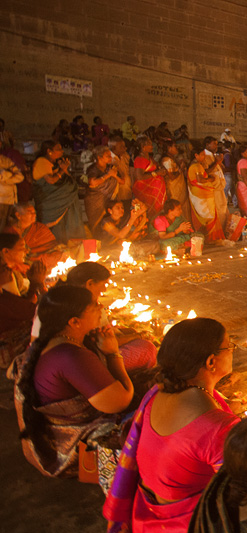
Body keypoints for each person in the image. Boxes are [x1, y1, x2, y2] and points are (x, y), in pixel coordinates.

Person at [103, 318, 240, 533]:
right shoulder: (216, 426)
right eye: (230, 347)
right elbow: (245, 495)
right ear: (211, 361)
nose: (233, 351)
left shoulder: (157, 393)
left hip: (148, 523)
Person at [12, 285, 133, 477]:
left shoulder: (50, 341)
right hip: (75, 447)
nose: (101, 307)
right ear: (75, 321)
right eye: (94, 306)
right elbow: (119, 403)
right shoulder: (70, 355)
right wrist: (113, 354)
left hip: (53, 436)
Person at [1, 233, 44, 364]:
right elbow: (29, 311)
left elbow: (21, 306)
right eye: (22, 247)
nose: (26, 251)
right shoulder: (3, 274)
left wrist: (34, 284)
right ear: (6, 251)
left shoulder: (8, 272)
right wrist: (37, 284)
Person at [31, 140, 84, 243]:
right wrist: (61, 170)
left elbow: (69, 179)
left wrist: (63, 169)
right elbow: (51, 181)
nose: (62, 151)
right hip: (50, 201)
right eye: (58, 149)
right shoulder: (42, 161)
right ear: (49, 151)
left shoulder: (53, 164)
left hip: (62, 203)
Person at [188, 149, 226, 241]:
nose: (203, 157)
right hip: (201, 197)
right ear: (196, 155)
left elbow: (205, 172)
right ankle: (209, 237)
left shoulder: (197, 165)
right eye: (201, 155)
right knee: (207, 216)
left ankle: (208, 238)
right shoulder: (196, 166)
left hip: (202, 195)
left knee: (208, 216)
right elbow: (200, 180)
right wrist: (211, 179)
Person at [84, 145, 121, 231]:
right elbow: (92, 182)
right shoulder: (93, 169)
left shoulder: (110, 168)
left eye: (110, 156)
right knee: (96, 224)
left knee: (109, 222)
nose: (110, 158)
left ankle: (109, 241)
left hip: (109, 200)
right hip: (95, 201)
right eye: (107, 156)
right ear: (99, 157)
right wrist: (108, 175)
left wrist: (114, 175)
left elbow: (122, 181)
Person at [132, 137, 168, 216]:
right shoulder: (139, 159)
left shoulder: (149, 158)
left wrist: (161, 169)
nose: (152, 146)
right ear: (143, 147)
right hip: (144, 191)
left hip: (153, 192)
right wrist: (157, 173)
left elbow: (157, 167)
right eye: (149, 145)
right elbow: (139, 176)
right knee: (145, 212)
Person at [1, 150, 24, 228]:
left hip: (11, 200)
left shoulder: (5, 160)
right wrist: (10, 173)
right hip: (2, 200)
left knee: (7, 227)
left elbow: (20, 176)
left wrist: (5, 179)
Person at [160, 140, 188, 206]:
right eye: (175, 146)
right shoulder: (167, 160)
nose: (177, 148)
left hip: (178, 189)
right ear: (169, 148)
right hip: (174, 191)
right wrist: (180, 169)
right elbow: (171, 177)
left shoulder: (172, 159)